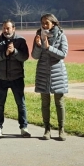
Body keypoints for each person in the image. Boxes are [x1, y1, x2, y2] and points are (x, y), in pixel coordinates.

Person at [0, 20, 31, 139]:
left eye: (8, 28)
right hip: (1, 78)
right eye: (4, 28)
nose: (6, 31)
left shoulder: (21, 41)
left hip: (17, 78)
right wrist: (5, 53)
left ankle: (24, 128)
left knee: (21, 104)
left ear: (14, 28)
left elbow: (25, 56)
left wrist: (15, 52)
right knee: (0, 104)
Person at [31, 13, 69, 141]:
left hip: (57, 72)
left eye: (47, 23)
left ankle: (61, 130)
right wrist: (37, 45)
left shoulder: (61, 35)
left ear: (53, 23)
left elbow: (63, 54)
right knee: (45, 103)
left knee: (59, 102)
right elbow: (35, 56)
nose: (44, 25)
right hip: (43, 73)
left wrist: (48, 47)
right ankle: (47, 129)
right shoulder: (39, 35)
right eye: (42, 23)